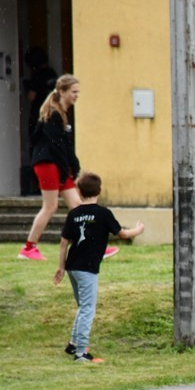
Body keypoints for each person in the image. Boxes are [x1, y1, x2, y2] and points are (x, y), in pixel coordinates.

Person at [20, 75, 120, 261]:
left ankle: (95, 246)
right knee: (50, 206)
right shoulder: (53, 115)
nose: (77, 96)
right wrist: (70, 167)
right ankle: (28, 248)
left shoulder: (60, 114)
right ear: (62, 92)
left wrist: (71, 165)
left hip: (57, 165)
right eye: (74, 92)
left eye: (78, 92)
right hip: (49, 165)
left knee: (79, 207)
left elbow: (59, 145)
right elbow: (57, 146)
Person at [53, 172, 144, 362]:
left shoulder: (73, 214)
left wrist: (61, 267)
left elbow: (63, 243)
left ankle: (73, 344)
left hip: (72, 267)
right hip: (87, 268)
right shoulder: (103, 214)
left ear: (78, 191)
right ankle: (81, 354)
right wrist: (138, 230)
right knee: (88, 309)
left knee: (82, 307)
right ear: (100, 191)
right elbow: (122, 234)